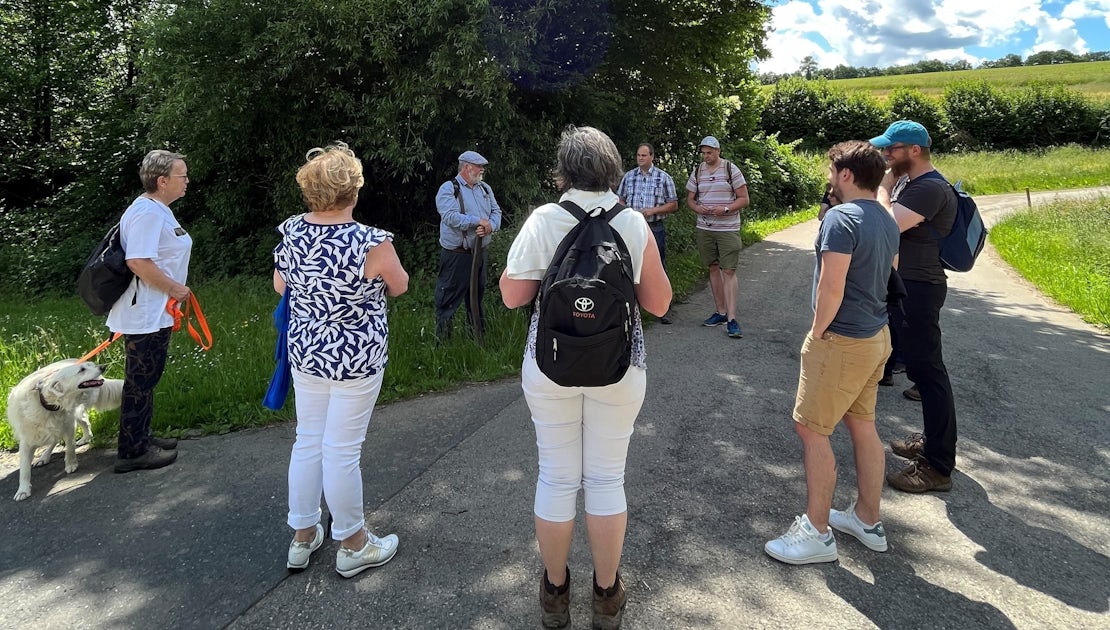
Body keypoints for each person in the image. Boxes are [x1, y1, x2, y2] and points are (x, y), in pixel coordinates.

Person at [500, 126, 672, 629]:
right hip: (619, 367)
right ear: (614, 169)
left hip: (549, 365)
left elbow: (512, 296)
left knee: (556, 476)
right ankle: (606, 593)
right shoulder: (632, 222)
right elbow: (659, 303)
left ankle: (555, 592)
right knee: (606, 479)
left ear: (564, 172)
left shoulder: (544, 219)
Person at [273, 142, 409, 578]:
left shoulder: (292, 232)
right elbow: (400, 285)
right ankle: (353, 545)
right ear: (354, 189)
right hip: (356, 358)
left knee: (308, 441)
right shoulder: (372, 241)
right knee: (342, 452)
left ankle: (302, 537)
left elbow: (280, 286)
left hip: (306, 353)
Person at [764, 140, 900, 565]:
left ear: (846, 174)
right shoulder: (887, 218)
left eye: (830, 171)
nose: (828, 178)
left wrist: (818, 332)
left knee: (811, 429)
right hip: (876, 336)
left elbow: (831, 285)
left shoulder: (841, 218)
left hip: (841, 340)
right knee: (862, 424)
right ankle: (867, 519)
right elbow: (890, 273)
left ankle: (817, 533)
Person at [869, 121, 959, 493]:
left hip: (921, 288)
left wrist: (884, 185)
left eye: (892, 149)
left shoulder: (930, 187)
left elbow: (885, 225)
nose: (886, 155)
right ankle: (932, 443)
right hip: (911, 286)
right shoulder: (916, 184)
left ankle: (938, 466)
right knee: (924, 371)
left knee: (928, 373)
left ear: (915, 150)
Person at [106, 150, 191, 473]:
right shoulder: (147, 213)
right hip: (144, 313)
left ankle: (141, 438)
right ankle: (132, 452)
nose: (187, 181)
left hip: (155, 311)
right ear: (162, 181)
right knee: (139, 381)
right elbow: (138, 262)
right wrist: (174, 288)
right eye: (182, 176)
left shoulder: (156, 210)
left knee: (146, 378)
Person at [685, 136, 749, 338]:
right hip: (705, 227)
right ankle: (720, 312)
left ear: (718, 151)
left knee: (728, 270)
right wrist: (698, 208)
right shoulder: (698, 171)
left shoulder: (731, 169)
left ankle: (732, 319)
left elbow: (744, 199)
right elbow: (690, 200)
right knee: (712, 267)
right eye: (703, 153)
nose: (706, 156)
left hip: (728, 228)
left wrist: (726, 209)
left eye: (709, 153)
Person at [434, 150, 502, 339]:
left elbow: (496, 212)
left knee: (476, 297)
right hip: (457, 255)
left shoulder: (485, 188)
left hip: (480, 253)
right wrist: (477, 221)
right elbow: (450, 217)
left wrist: (490, 226)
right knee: (448, 299)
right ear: (466, 167)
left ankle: (477, 339)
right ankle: (442, 344)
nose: (482, 170)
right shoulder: (448, 189)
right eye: (479, 166)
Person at [616, 142, 678, 323]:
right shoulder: (629, 177)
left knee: (657, 266)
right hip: (630, 228)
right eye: (638, 155)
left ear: (652, 156)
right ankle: (630, 307)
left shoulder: (663, 178)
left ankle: (663, 309)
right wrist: (625, 213)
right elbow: (620, 199)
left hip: (654, 226)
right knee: (628, 264)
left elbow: (673, 204)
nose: (640, 158)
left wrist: (653, 211)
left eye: (644, 155)